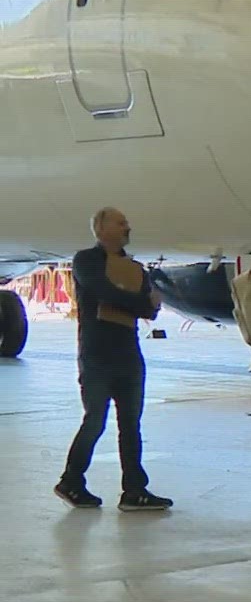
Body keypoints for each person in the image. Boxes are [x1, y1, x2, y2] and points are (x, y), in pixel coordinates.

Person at [54, 207, 172, 511]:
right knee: (95, 419)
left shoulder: (135, 268)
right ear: (101, 228)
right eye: (120, 223)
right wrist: (138, 302)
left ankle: (134, 489)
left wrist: (142, 304)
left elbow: (149, 310)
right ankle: (71, 481)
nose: (127, 227)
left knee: (130, 424)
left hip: (129, 355)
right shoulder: (86, 260)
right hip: (97, 356)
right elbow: (102, 291)